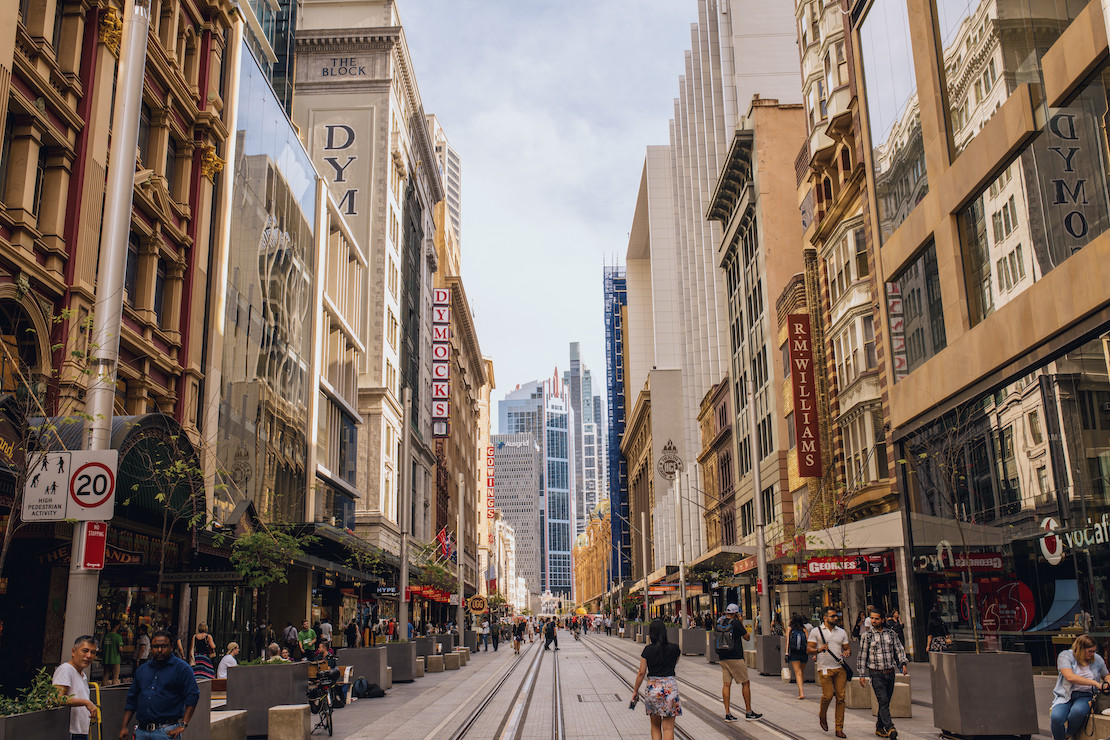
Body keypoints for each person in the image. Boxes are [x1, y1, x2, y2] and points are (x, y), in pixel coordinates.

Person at [119, 630, 200, 740]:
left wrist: (183, 724)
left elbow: (193, 695)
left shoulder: (182, 668)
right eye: (155, 647)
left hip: (166, 731)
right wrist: (124, 726)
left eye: (164, 646)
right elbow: (132, 700)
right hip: (141, 731)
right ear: (151, 648)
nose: (159, 650)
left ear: (171, 646)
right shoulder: (142, 670)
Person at [858, 608, 908, 739]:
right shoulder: (867, 636)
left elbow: (899, 649)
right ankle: (890, 727)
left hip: (890, 672)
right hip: (876, 673)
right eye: (872, 618)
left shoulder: (891, 634)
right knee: (883, 700)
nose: (873, 621)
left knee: (885, 702)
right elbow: (862, 656)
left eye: (876, 618)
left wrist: (903, 663)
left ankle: (879, 727)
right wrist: (862, 674)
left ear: (882, 620)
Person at [1051, 633, 1109, 740]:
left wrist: (1107, 683)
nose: (1092, 654)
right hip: (1066, 695)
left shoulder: (1097, 659)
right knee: (1056, 718)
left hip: (1086, 695)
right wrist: (1096, 683)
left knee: (1077, 712)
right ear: (1081, 649)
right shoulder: (1065, 656)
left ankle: (1068, 734)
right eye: (1090, 651)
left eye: (1094, 651)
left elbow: (1106, 675)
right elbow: (1070, 677)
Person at [631, 620, 682, 740]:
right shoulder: (675, 648)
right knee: (669, 728)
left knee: (655, 726)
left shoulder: (647, 650)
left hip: (653, 690)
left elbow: (641, 672)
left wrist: (635, 690)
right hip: (670, 688)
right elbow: (674, 663)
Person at [809, 606, 851, 738]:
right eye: (833, 616)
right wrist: (819, 650)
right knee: (827, 696)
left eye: (836, 615)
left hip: (839, 668)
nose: (836, 618)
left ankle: (839, 728)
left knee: (841, 698)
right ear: (825, 618)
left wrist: (847, 652)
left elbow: (847, 648)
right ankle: (822, 715)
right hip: (824, 667)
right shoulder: (816, 631)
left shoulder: (842, 632)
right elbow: (809, 649)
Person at [715, 603, 760, 721]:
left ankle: (727, 713)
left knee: (726, 684)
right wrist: (741, 621)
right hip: (735, 657)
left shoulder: (720, 622)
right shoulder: (736, 623)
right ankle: (749, 712)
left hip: (723, 657)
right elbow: (747, 637)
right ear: (736, 613)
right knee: (745, 683)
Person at [53, 635, 99, 740]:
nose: (89, 655)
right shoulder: (66, 669)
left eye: (93, 652)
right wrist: (86, 702)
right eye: (85, 651)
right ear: (73, 652)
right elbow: (56, 698)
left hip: (81, 731)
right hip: (71, 732)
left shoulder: (82, 675)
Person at [785, 613, 809, 700]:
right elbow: (808, 642)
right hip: (804, 653)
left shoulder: (789, 629)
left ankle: (801, 692)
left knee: (798, 673)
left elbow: (787, 642)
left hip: (794, 652)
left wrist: (786, 653)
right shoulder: (804, 630)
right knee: (801, 672)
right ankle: (800, 690)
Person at [103, 621, 123, 686]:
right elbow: (120, 649)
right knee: (115, 677)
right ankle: (114, 690)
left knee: (106, 675)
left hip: (106, 658)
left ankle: (104, 688)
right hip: (115, 659)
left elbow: (102, 647)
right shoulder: (118, 637)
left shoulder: (106, 636)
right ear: (117, 626)